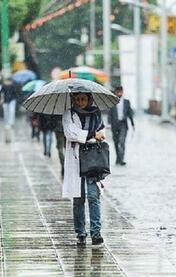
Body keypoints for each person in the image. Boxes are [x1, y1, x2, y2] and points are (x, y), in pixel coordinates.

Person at [62, 92, 106, 247]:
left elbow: (103, 132)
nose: (81, 102)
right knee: (78, 198)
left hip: (93, 159)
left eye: (84, 99)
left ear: (89, 99)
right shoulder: (69, 114)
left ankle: (96, 233)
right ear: (74, 100)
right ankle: (80, 233)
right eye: (78, 99)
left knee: (93, 196)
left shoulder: (96, 114)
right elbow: (71, 133)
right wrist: (92, 135)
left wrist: (96, 135)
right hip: (76, 159)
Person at [108, 86, 135, 166]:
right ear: (115, 92)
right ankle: (118, 158)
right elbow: (110, 114)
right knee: (116, 142)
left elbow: (130, 113)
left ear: (122, 92)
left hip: (123, 124)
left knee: (122, 141)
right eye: (118, 91)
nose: (119, 93)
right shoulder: (112, 102)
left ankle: (121, 159)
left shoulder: (127, 102)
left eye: (121, 91)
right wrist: (109, 124)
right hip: (114, 124)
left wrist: (133, 124)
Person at [0, 78, 19, 143]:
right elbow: (0, 92)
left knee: (11, 111)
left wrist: (16, 99)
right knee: (6, 112)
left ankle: (11, 122)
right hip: (5, 101)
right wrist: (0, 99)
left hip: (12, 100)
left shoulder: (13, 85)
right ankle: (7, 121)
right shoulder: (3, 86)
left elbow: (15, 93)